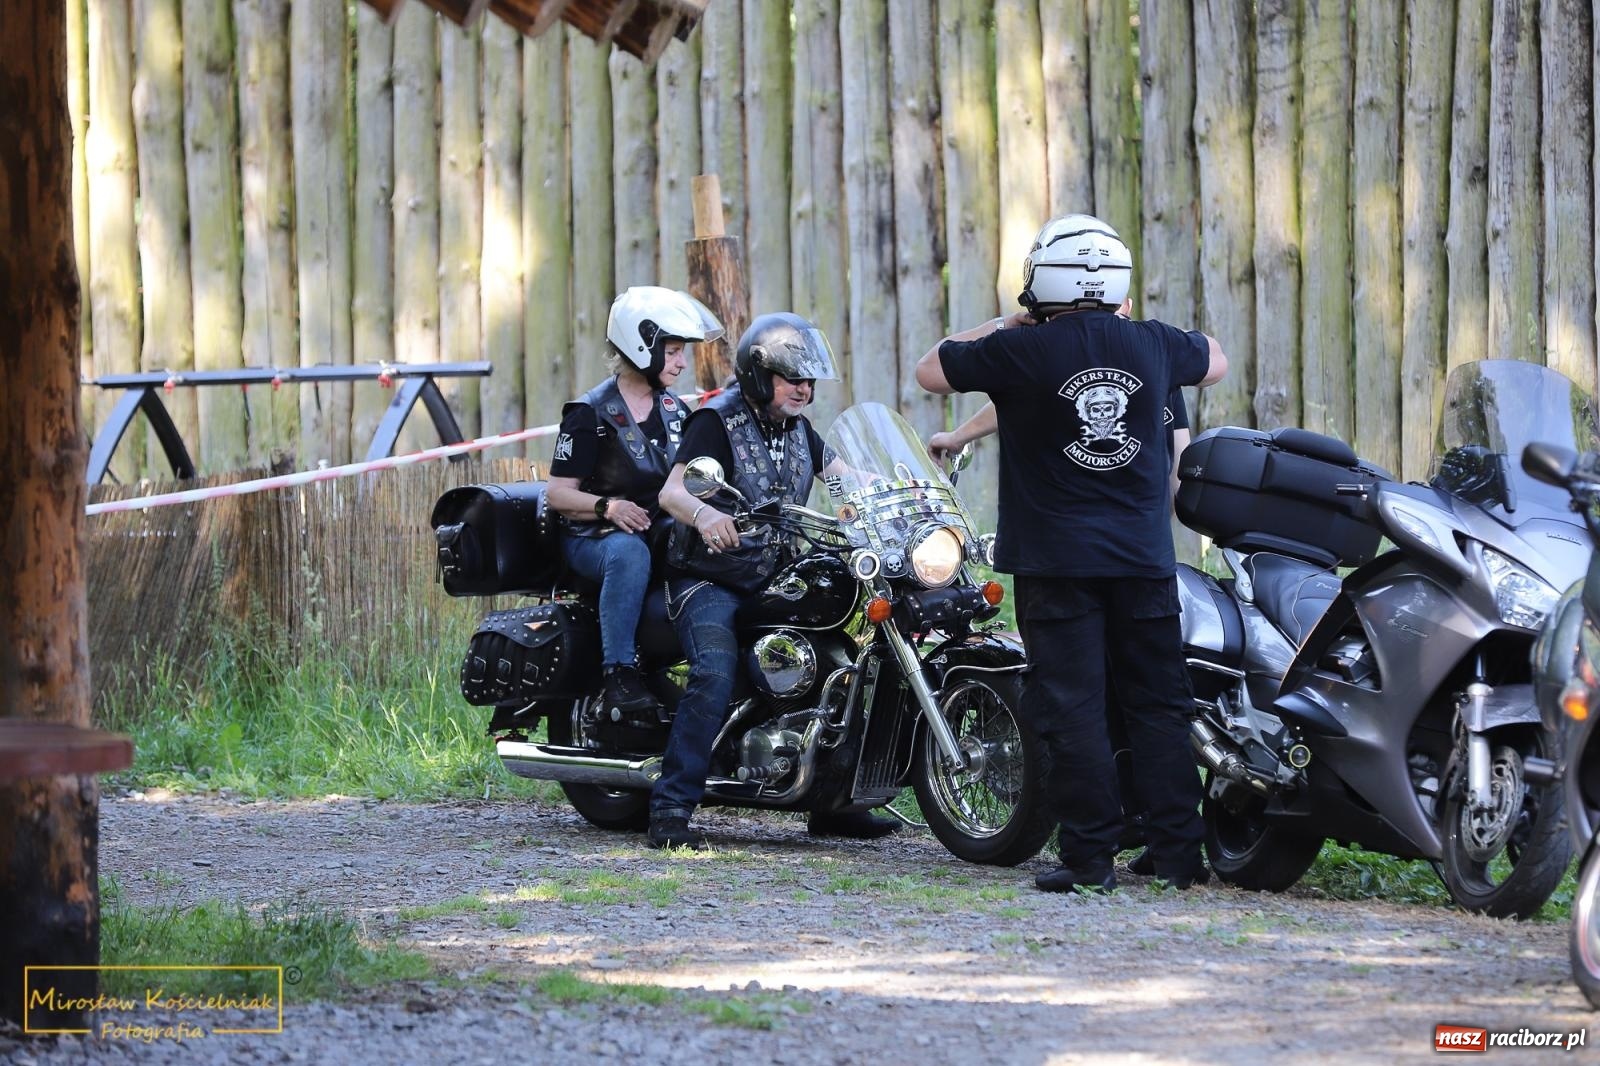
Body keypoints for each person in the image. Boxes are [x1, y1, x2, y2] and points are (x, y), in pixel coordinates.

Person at [915, 213, 1227, 893]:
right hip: (1143, 561)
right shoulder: (1152, 345)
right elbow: (1216, 358)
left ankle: (1090, 859)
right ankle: (1180, 855)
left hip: (1056, 565)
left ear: (1040, 285)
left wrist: (1010, 322)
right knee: (1159, 704)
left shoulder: (1020, 351)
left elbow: (930, 369)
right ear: (1119, 281)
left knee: (1074, 706)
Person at [645, 312, 901, 849]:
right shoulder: (716, 421)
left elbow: (843, 479)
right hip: (707, 576)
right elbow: (672, 492)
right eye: (793, 378)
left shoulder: (798, 429)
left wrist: (898, 495)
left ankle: (834, 802)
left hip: (773, 574)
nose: (805, 388)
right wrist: (706, 516)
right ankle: (670, 808)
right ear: (761, 377)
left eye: (809, 380)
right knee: (712, 670)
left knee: (846, 658)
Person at [546, 286, 722, 721]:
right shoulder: (589, 413)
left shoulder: (675, 410)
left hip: (656, 532)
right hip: (594, 537)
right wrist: (609, 507)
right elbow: (557, 494)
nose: (682, 363)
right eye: (675, 351)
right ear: (643, 346)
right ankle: (618, 674)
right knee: (627, 554)